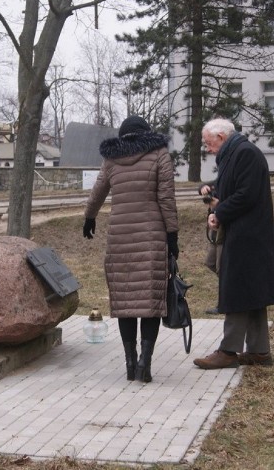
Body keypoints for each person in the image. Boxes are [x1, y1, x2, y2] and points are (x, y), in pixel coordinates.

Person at [82, 115, 179, 383]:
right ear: (146, 132)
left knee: (125, 301)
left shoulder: (112, 159)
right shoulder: (159, 154)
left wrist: (90, 216)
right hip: (152, 237)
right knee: (150, 301)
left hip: (120, 238)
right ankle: (144, 363)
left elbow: (98, 190)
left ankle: (128, 363)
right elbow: (166, 198)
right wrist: (172, 235)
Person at [193, 118, 274, 370]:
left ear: (221, 138)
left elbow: (245, 195)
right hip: (245, 233)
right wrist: (208, 188)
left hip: (249, 235)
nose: (208, 149)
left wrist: (219, 213)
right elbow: (228, 186)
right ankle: (259, 350)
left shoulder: (245, 154)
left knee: (236, 289)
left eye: (208, 144)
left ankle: (229, 351)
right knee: (252, 292)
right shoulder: (234, 154)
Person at [198, 181, 221, 315]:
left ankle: (223, 303)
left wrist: (219, 205)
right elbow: (204, 186)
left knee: (221, 269)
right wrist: (203, 188)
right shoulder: (221, 179)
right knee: (210, 262)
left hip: (224, 229)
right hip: (215, 231)